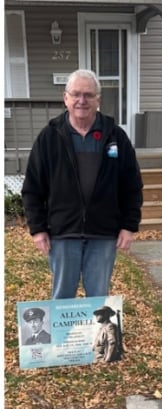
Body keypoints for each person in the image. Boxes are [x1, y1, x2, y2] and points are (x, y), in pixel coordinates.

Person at [22, 69, 144, 300]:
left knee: (98, 299)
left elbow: (132, 185)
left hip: (103, 233)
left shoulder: (116, 137)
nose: (82, 101)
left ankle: (97, 338)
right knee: (62, 297)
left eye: (88, 95)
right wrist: (38, 229)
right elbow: (32, 188)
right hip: (63, 233)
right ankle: (63, 337)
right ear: (65, 98)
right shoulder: (49, 137)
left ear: (98, 99)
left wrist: (129, 225)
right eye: (76, 94)